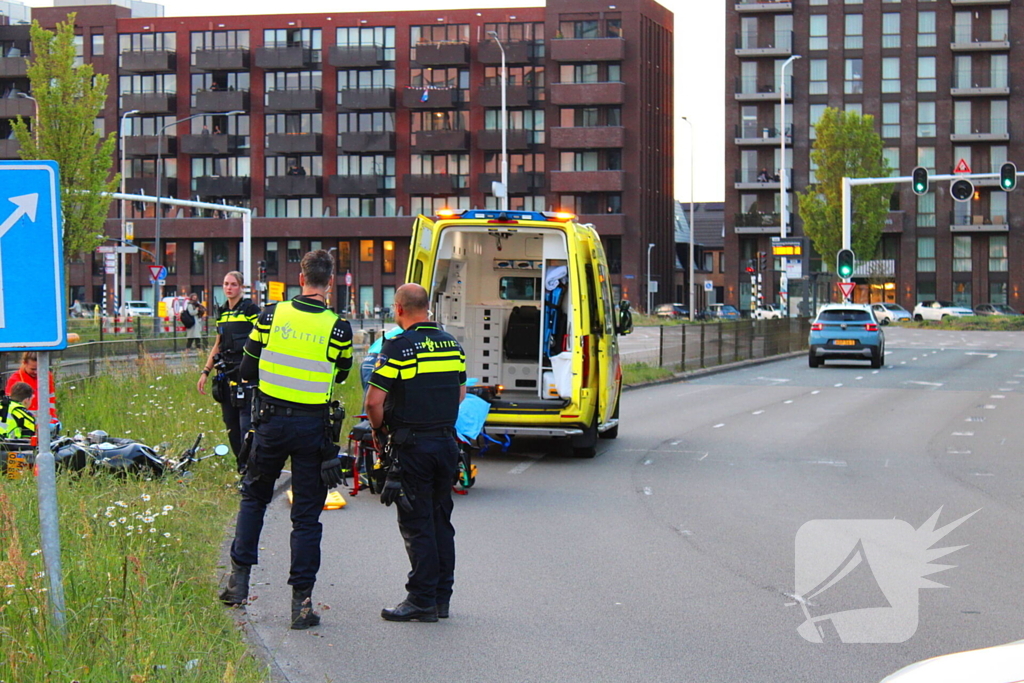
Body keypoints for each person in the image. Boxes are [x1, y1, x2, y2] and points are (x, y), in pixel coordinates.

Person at [220, 250, 354, 631]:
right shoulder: (338, 328)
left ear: (300, 278)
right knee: (306, 518)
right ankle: (301, 605)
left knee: (254, 498)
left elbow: (247, 368)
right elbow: (341, 374)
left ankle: (238, 584)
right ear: (330, 283)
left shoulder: (270, 316)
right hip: (313, 429)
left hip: (270, 423)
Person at [365, 283, 467, 623]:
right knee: (441, 521)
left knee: (416, 523)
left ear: (398, 309)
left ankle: (421, 599)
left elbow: (374, 402)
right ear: (427, 307)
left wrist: (379, 430)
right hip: (446, 445)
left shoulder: (398, 347)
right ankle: (440, 599)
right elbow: (460, 394)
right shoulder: (451, 344)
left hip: (413, 448)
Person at [198, 271, 261, 466]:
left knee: (246, 425)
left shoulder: (250, 309)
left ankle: (252, 468)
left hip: (246, 375)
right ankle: (241, 466)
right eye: (226, 284)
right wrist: (205, 371)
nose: (229, 288)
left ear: (241, 287)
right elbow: (217, 344)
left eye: (233, 284)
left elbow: (262, 339)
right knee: (231, 425)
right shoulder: (222, 312)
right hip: (226, 375)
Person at [5, 351, 57, 422]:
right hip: (24, 421)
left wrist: (53, 418)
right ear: (25, 363)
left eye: (39, 368)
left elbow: (51, 399)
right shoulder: (15, 380)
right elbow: (10, 406)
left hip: (45, 420)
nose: (36, 372)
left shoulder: (47, 375)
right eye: (33, 369)